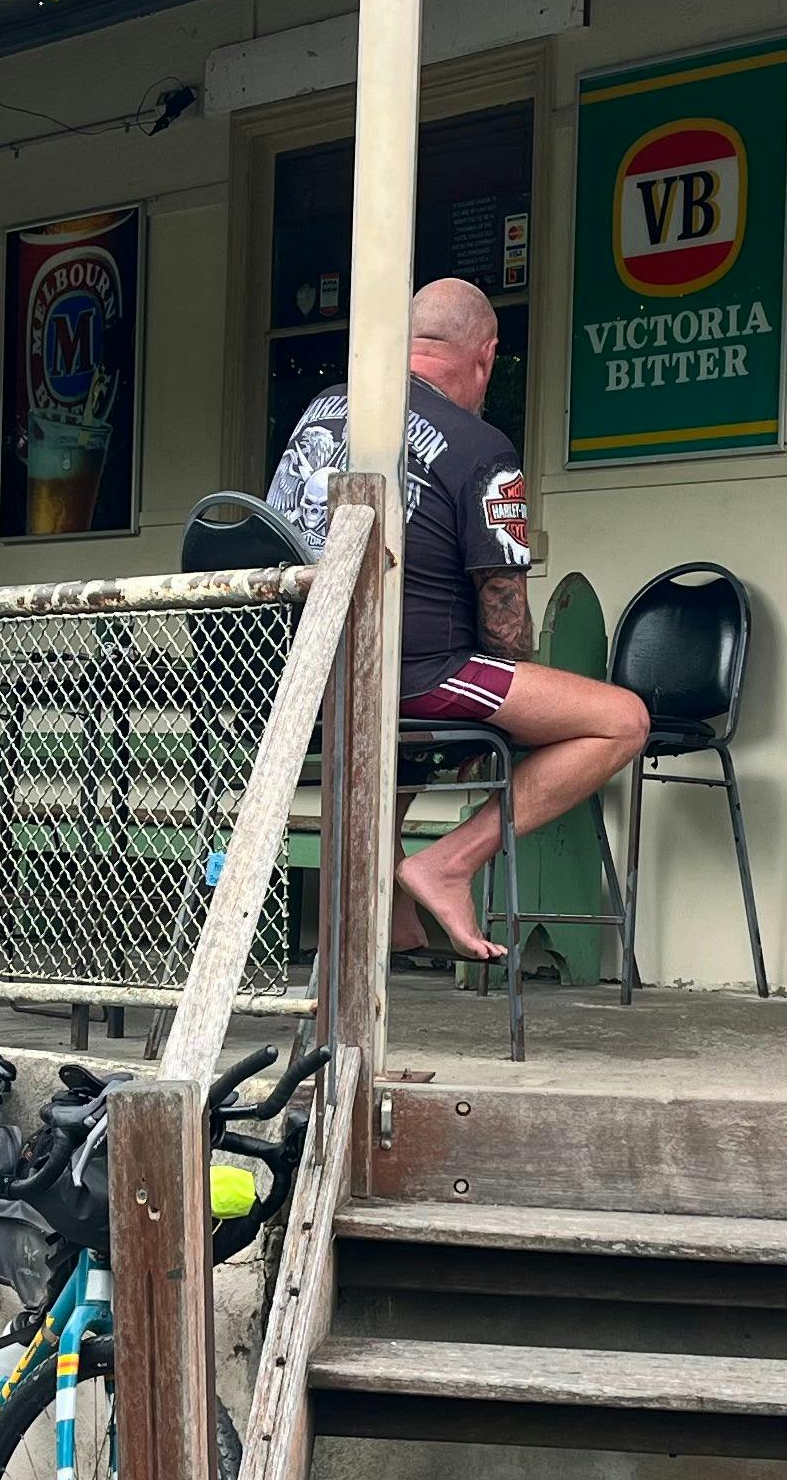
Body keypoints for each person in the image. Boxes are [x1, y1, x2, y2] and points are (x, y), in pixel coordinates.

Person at [268, 278, 649, 965]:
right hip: (414, 675)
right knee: (622, 720)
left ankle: (384, 911)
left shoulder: (318, 416)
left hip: (301, 677)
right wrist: (509, 711)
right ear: (486, 357)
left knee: (395, 739)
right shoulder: (480, 447)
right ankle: (449, 862)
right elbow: (504, 630)